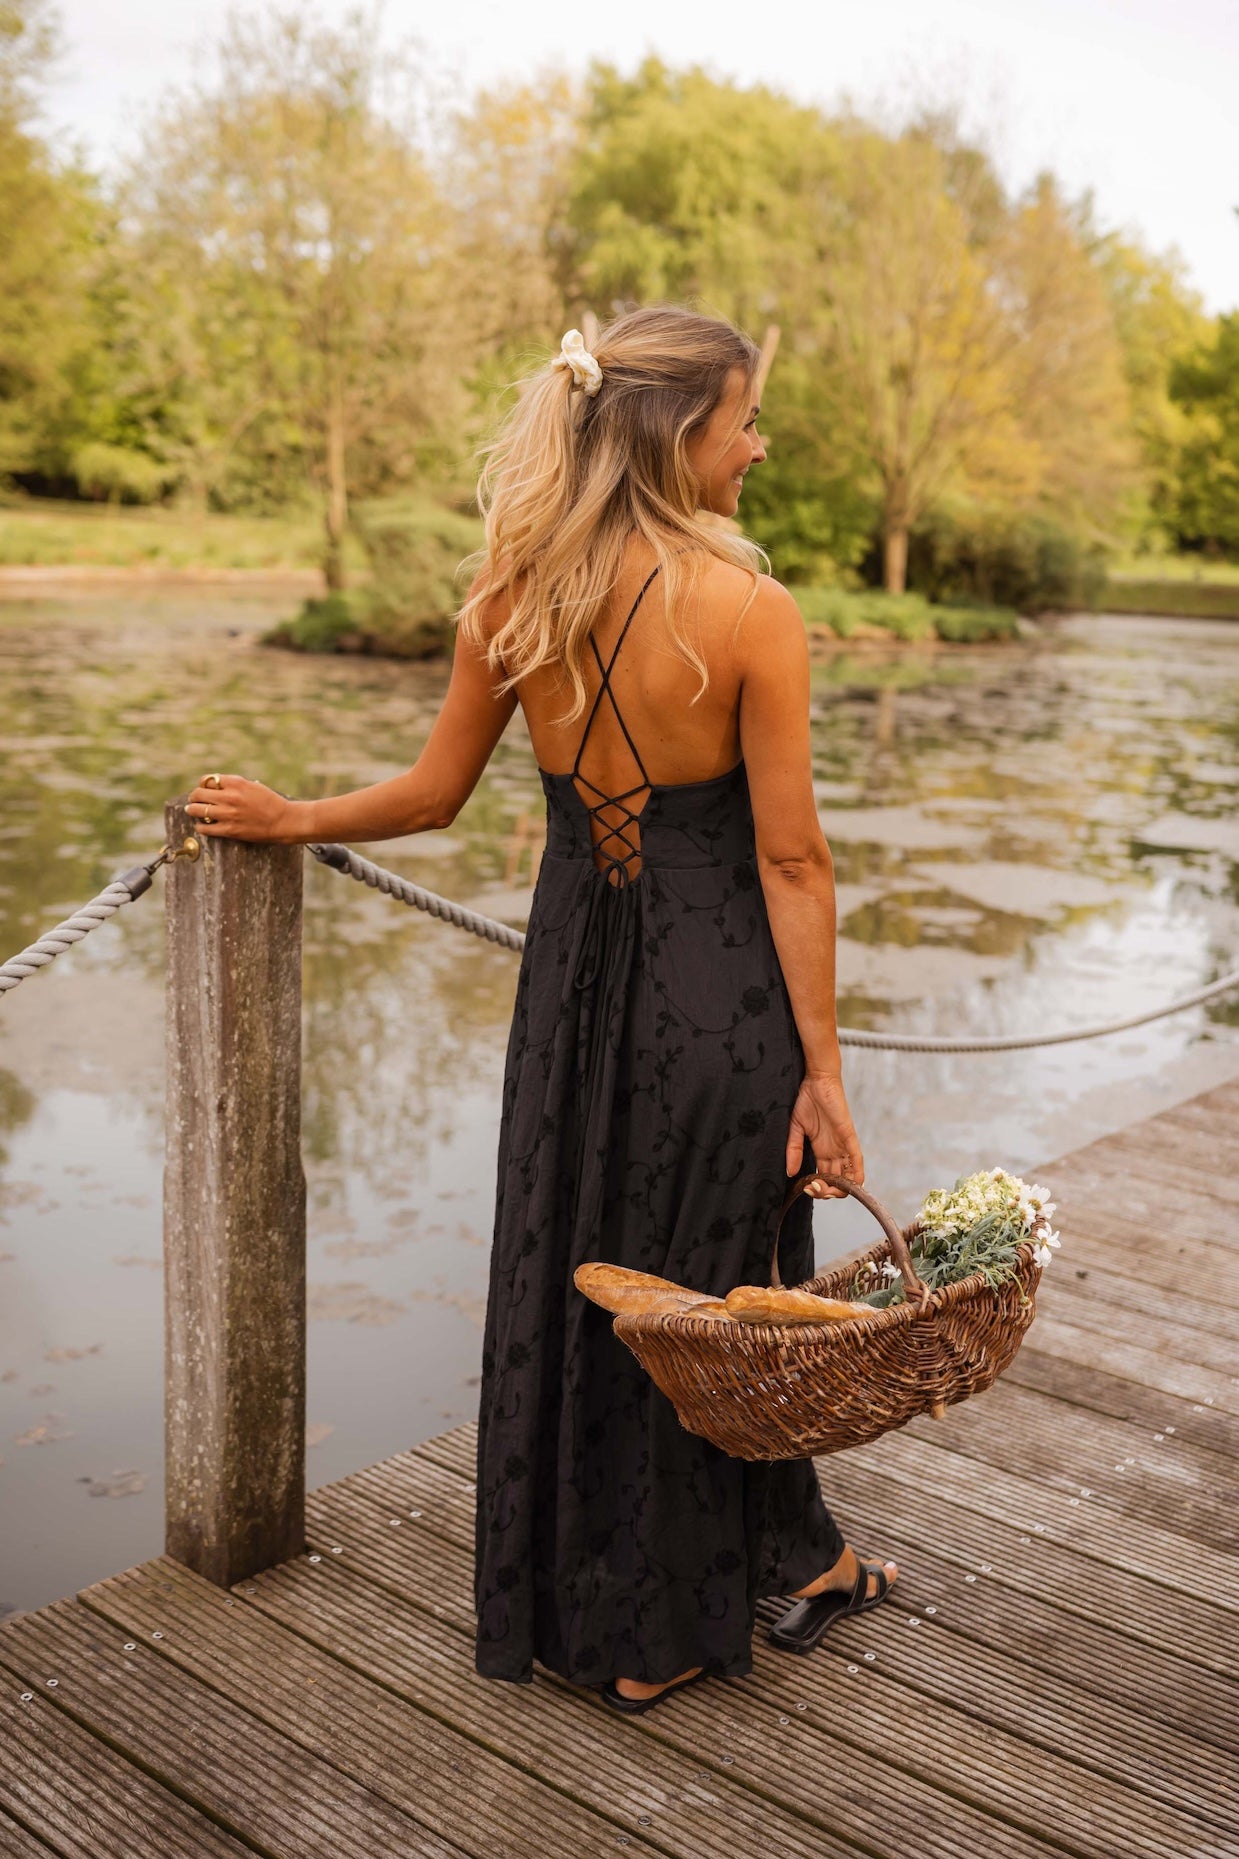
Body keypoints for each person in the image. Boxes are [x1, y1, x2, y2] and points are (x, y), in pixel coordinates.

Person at [185, 304, 898, 1714]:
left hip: (572, 991)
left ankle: (750, 1563)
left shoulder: (515, 595)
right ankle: (655, 1638)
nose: (757, 448)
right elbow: (794, 857)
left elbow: (433, 795)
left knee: (589, 1276)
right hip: (717, 995)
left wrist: (291, 815)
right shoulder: (752, 612)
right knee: (708, 1294)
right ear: (676, 433)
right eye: (744, 422)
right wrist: (825, 1072)